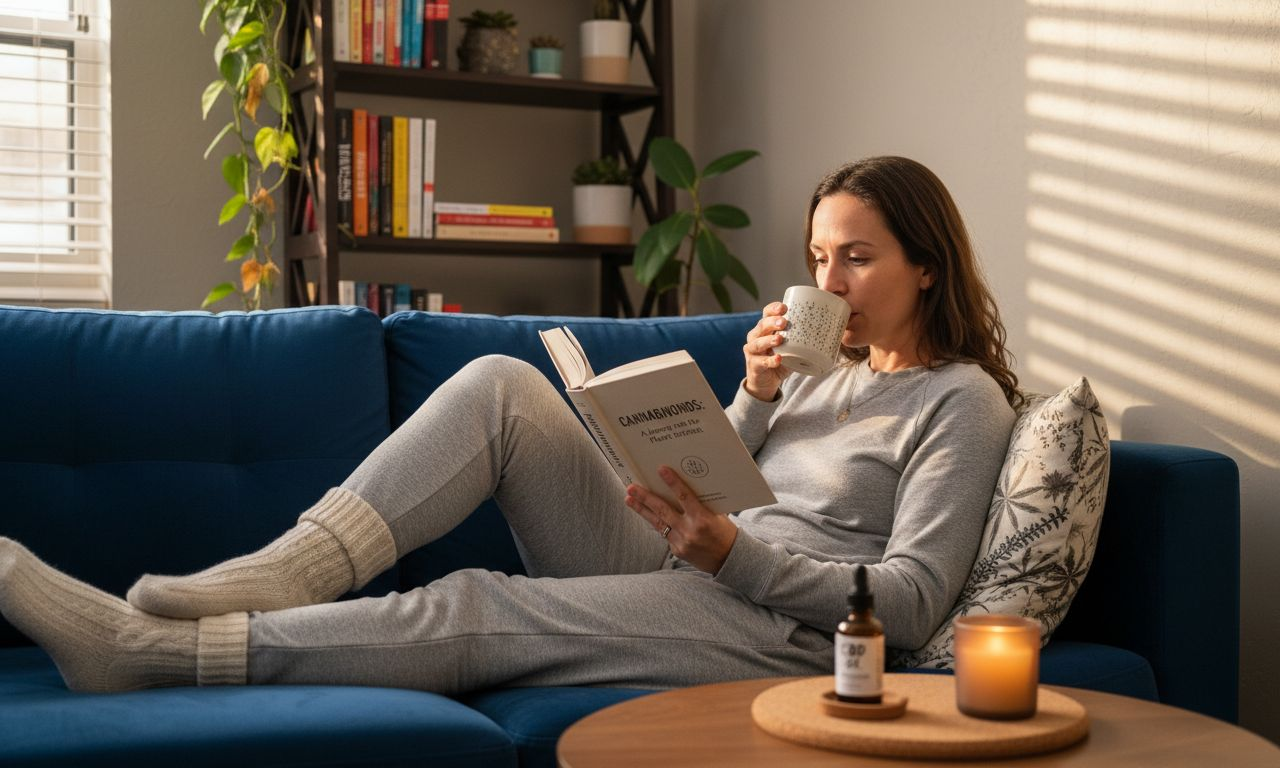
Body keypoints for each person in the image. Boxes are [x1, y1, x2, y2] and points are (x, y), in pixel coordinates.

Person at [0, 156, 1020, 694]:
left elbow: (915, 604)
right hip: (691, 557)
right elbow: (727, 481)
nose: (825, 281)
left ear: (925, 264)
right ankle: (285, 569)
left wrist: (732, 561)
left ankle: (139, 652)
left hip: (778, 627)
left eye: (856, 258)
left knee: (475, 602)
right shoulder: (819, 366)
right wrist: (750, 397)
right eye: (818, 256)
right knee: (498, 384)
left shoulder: (959, 403)